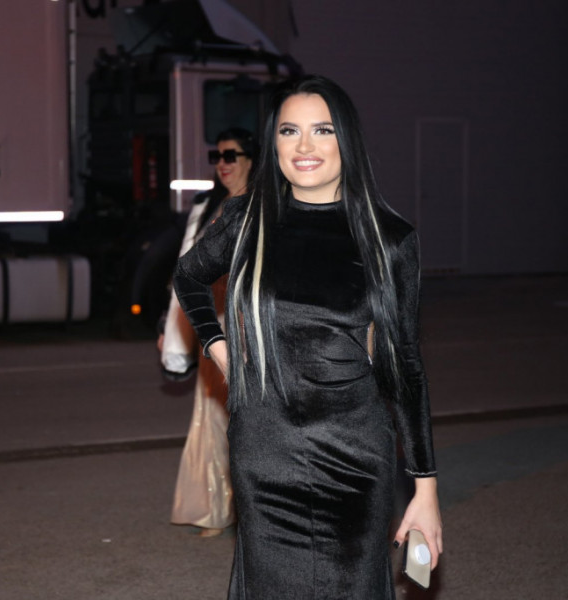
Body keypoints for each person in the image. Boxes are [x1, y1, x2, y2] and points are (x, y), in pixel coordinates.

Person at [172, 75, 442, 598]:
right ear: (273, 143)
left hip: (355, 456)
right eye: (289, 131)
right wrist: (218, 348)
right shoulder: (246, 220)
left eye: (322, 130)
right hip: (264, 453)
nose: (304, 146)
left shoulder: (389, 239)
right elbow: (188, 276)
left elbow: (406, 369)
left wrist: (425, 489)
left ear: (347, 139)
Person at [161, 127, 257, 537]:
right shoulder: (208, 207)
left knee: (249, 419)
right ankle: (215, 509)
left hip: (250, 323)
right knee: (210, 415)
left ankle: (254, 510)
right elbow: (184, 270)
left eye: (231, 156)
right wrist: (170, 327)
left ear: (251, 159)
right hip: (211, 321)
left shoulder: (264, 205)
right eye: (216, 157)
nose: (222, 164)